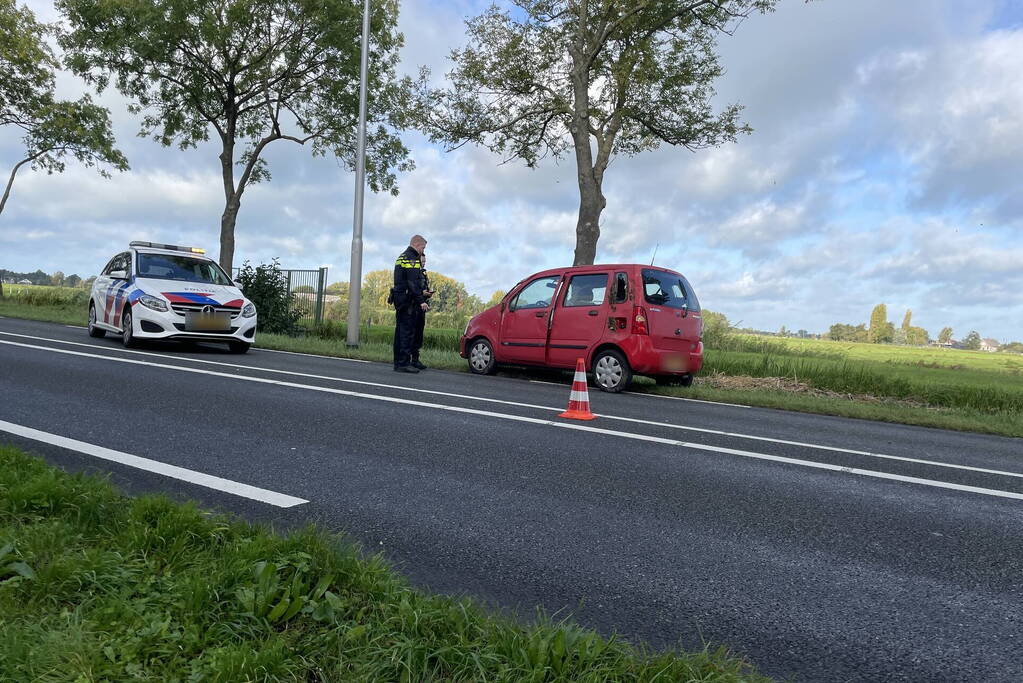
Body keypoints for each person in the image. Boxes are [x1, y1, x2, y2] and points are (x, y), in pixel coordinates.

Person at [390, 235, 433, 372]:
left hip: (401, 300)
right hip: (408, 302)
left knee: (401, 332)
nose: (423, 250)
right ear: (417, 244)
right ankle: (403, 363)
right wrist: (421, 300)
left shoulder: (402, 257)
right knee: (406, 333)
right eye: (423, 247)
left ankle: (400, 361)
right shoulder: (411, 258)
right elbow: (412, 282)